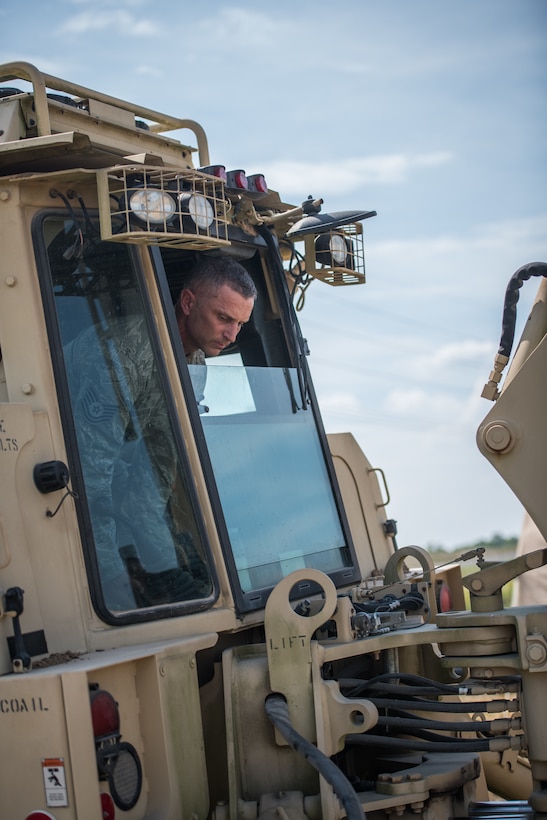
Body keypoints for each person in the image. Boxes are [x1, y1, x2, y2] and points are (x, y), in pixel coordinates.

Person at [64, 254, 256, 611]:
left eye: (241, 324)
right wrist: (110, 579)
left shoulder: (194, 365)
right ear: (187, 302)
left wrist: (167, 567)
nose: (232, 336)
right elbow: (90, 475)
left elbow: (155, 478)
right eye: (224, 318)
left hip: (106, 464)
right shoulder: (123, 356)